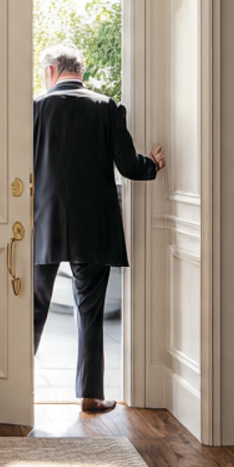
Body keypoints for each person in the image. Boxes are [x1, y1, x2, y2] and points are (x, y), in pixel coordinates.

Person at [32, 43, 164, 414]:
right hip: (94, 228)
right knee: (89, 310)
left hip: (44, 223)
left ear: (51, 70)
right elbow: (128, 166)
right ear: (81, 71)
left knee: (34, 307)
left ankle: (14, 390)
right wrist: (152, 165)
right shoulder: (106, 107)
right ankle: (91, 396)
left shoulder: (36, 108)